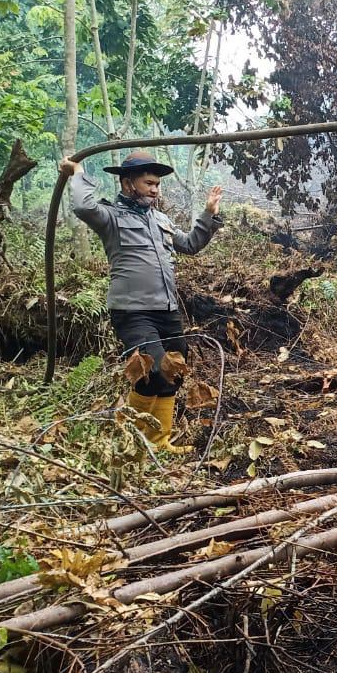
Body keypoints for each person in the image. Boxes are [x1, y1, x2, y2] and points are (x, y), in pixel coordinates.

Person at [61, 151, 224, 452]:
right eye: (149, 183)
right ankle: (135, 443)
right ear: (127, 183)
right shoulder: (110, 217)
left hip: (166, 310)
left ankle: (159, 442)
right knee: (152, 371)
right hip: (132, 311)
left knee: (174, 370)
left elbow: (190, 244)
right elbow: (82, 205)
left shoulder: (160, 219)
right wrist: (78, 173)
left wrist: (208, 213)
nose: (155, 189)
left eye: (157, 185)